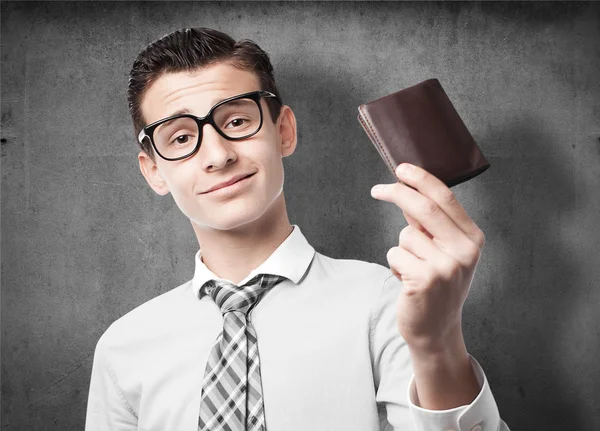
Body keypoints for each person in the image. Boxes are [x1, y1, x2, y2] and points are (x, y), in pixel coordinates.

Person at [85, 27, 510, 431]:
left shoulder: (387, 305)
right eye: (179, 138)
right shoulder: (122, 348)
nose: (216, 155)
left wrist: (437, 341)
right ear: (154, 172)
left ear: (283, 131)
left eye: (235, 122)